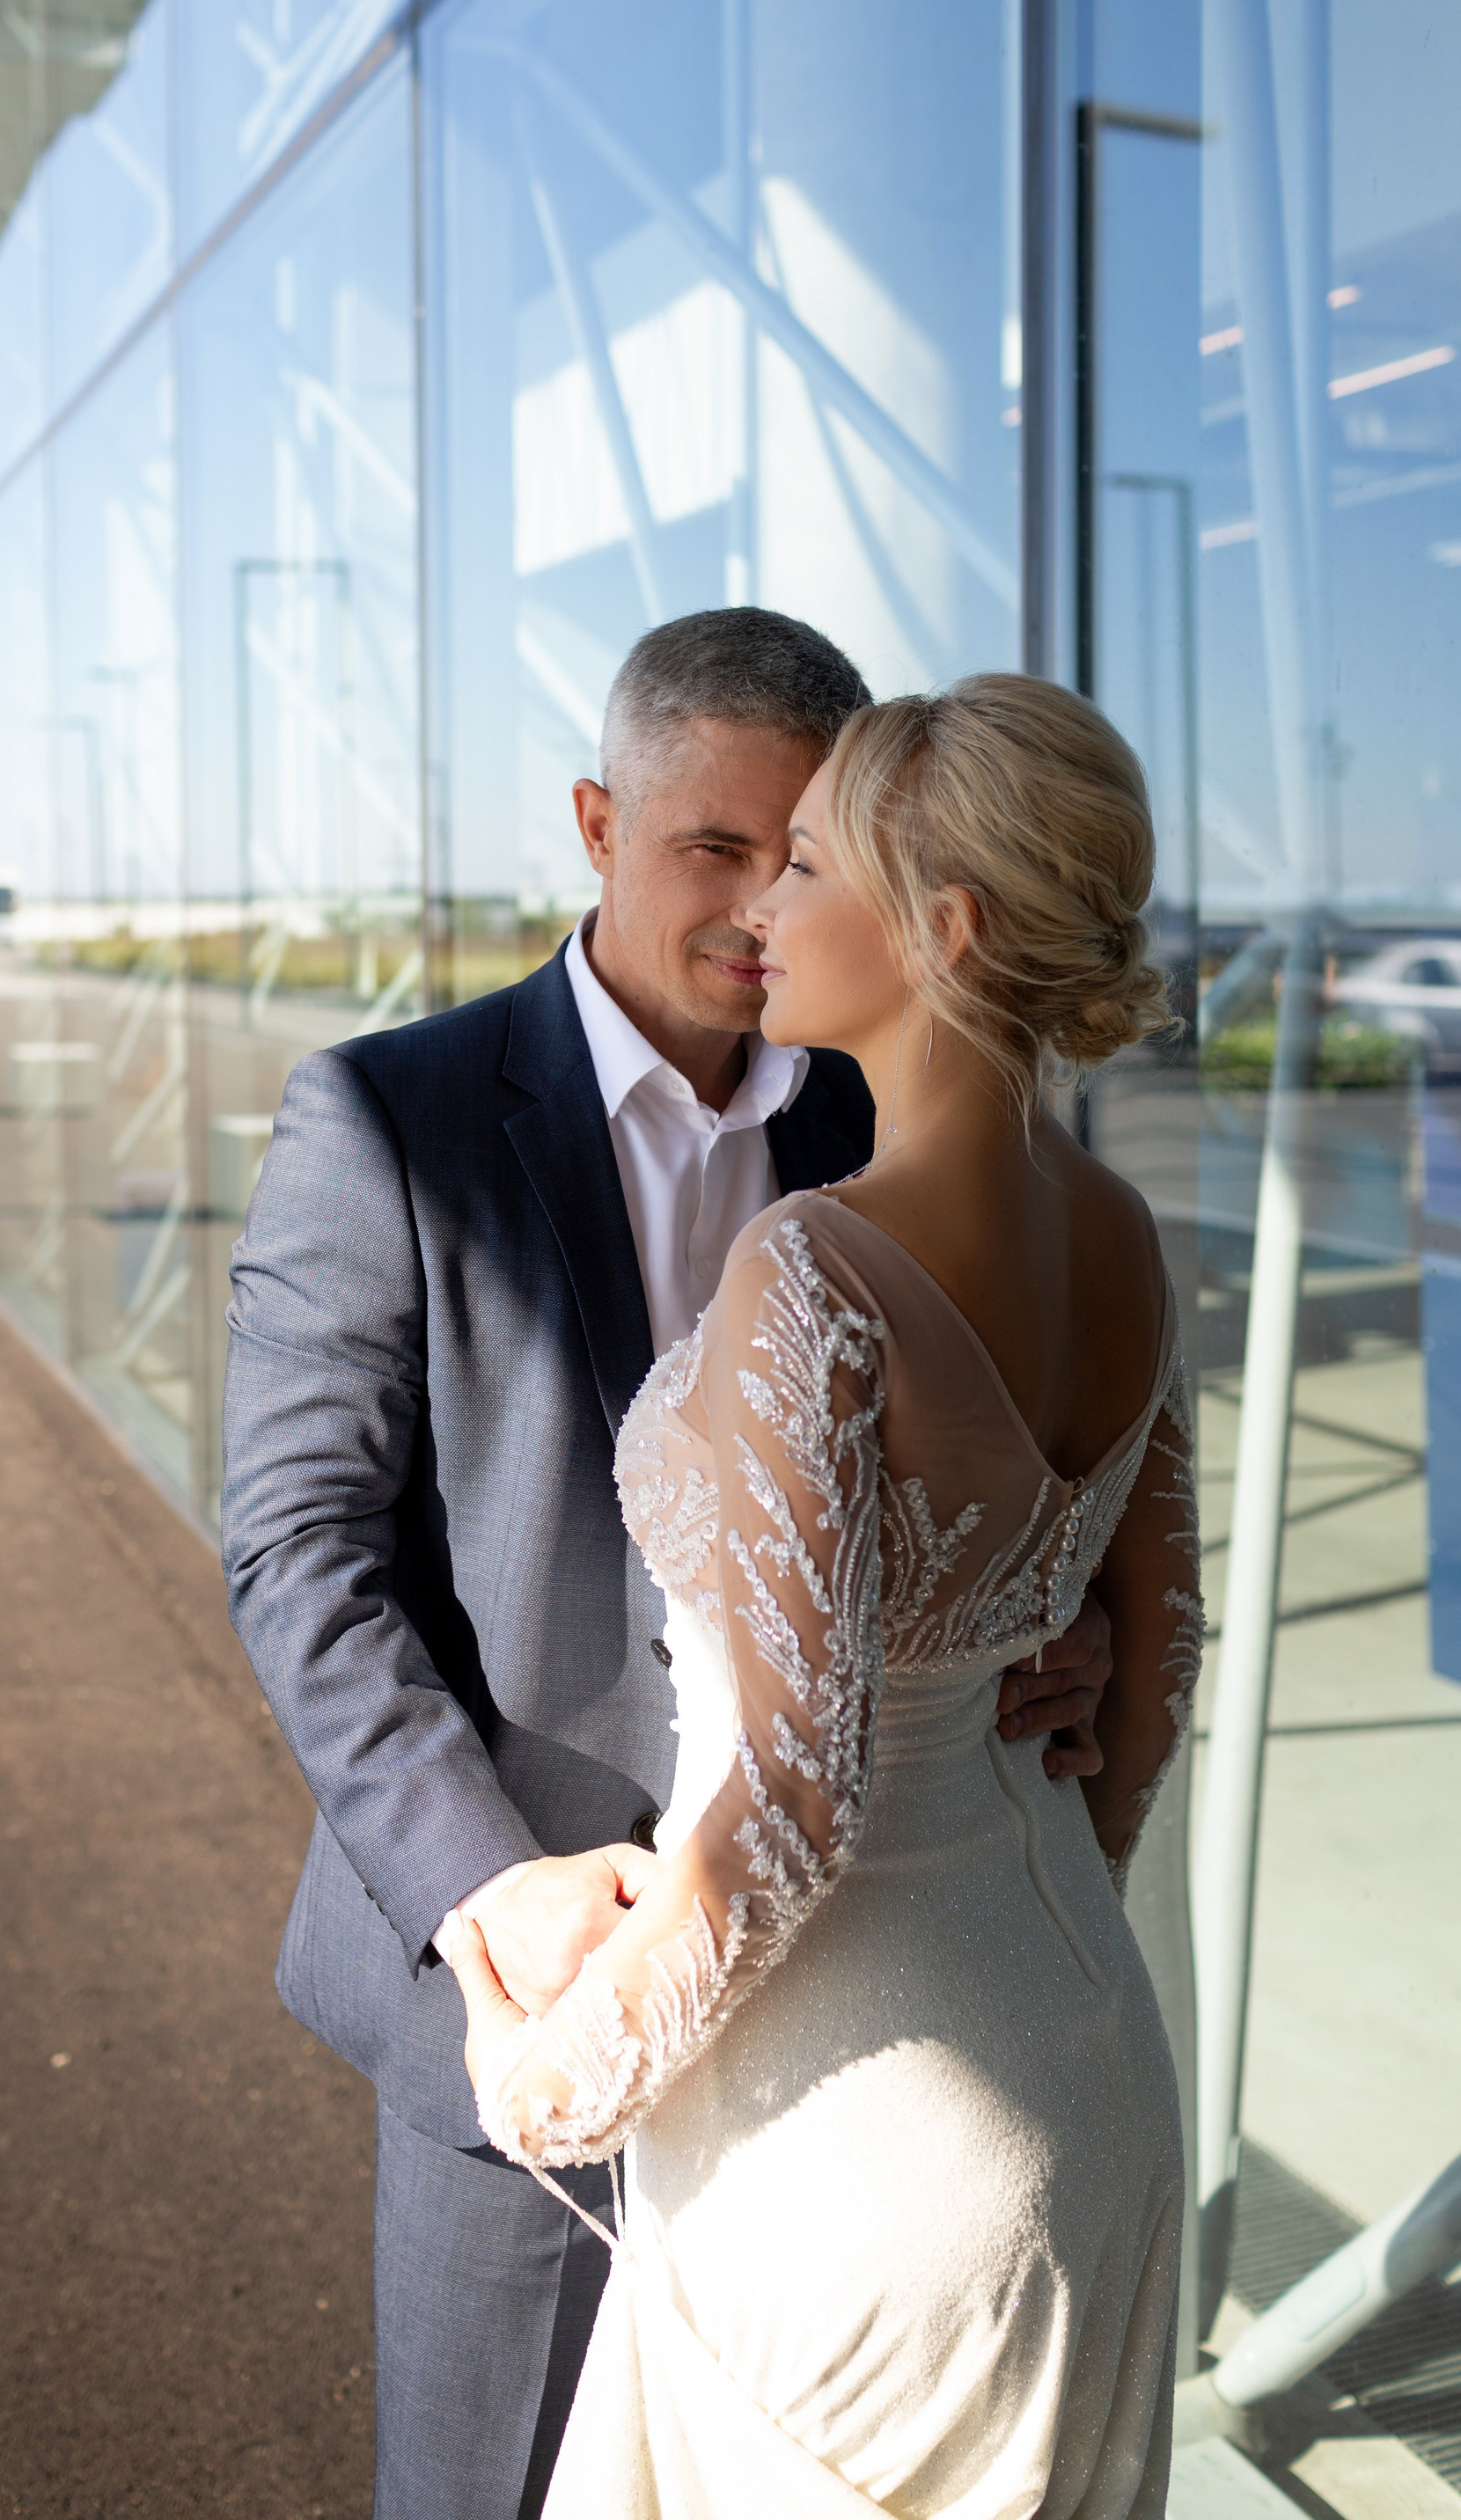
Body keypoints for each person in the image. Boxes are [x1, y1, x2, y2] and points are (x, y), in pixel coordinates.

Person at [222, 615, 1115, 2520]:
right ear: (597, 822)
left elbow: (1012, 1468)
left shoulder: (896, 1105)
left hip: (848, 2029)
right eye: (717, 847)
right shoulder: (386, 1118)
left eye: (804, 855)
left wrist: (1064, 1631)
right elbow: (299, 1551)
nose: (762, 905)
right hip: (533, 1971)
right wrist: (486, 1887)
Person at [444, 673, 1201, 2518]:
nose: (763, 909)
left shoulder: (817, 1267)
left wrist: (542, 2089)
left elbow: (789, 1800)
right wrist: (1037, 1905)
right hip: (1091, 2061)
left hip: (860, 2133)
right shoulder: (1123, 1232)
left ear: (947, 929)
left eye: (804, 867)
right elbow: (1158, 1651)